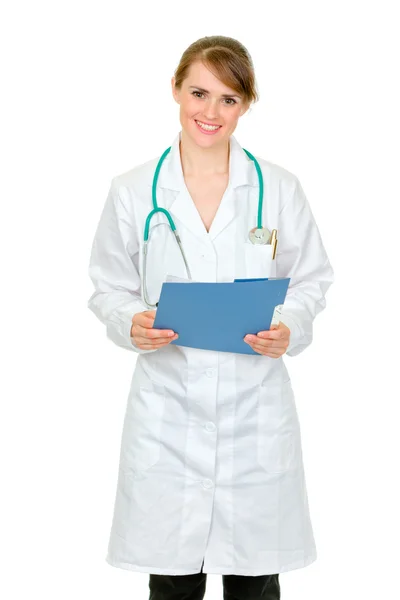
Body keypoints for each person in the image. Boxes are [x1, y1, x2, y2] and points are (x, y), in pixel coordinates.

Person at [87, 35, 334, 600]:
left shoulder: (277, 188)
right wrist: (131, 322)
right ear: (175, 89)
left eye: (229, 98)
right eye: (199, 92)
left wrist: (288, 327)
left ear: (246, 104)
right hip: (167, 410)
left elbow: (312, 279)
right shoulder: (132, 191)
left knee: (255, 582)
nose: (211, 111)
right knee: (172, 581)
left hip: (255, 412)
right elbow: (108, 286)